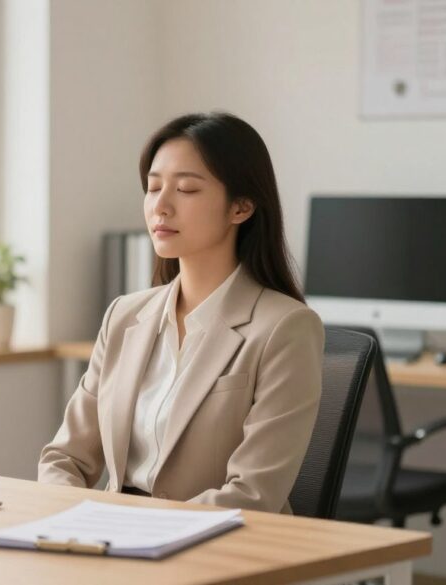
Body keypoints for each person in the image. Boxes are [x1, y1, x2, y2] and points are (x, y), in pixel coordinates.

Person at [38, 112, 324, 514]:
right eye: (153, 188)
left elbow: (253, 494)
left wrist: (133, 529)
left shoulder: (285, 328)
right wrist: (75, 518)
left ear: (240, 207)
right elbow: (64, 459)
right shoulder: (124, 316)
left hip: (219, 547)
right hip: (113, 541)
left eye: (187, 189)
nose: (161, 206)